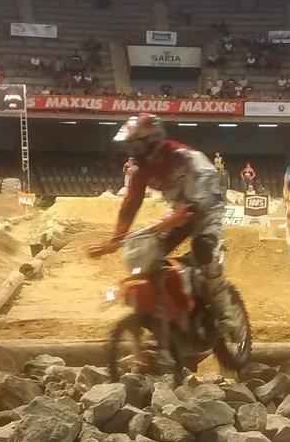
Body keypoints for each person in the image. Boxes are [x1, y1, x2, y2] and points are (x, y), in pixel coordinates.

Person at [86, 113, 241, 348]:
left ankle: (228, 315)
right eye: (129, 145)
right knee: (149, 253)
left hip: (207, 207)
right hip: (179, 213)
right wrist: (115, 240)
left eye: (135, 144)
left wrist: (192, 207)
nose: (131, 151)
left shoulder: (186, 157)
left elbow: (209, 181)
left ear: (152, 141)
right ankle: (172, 311)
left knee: (203, 249)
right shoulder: (140, 169)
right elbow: (131, 203)